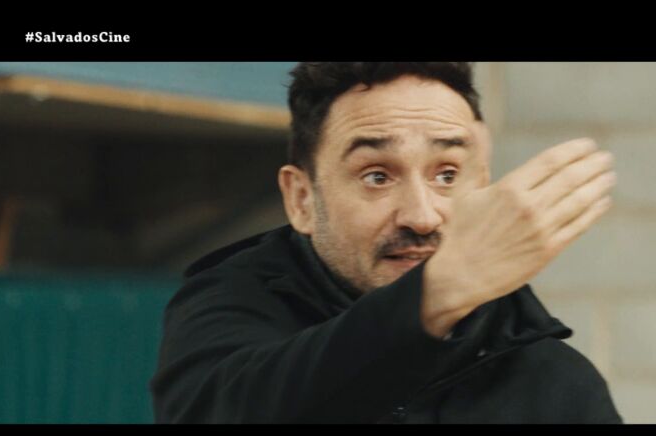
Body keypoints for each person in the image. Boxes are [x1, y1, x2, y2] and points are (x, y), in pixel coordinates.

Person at [149, 62, 622, 423]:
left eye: (447, 175)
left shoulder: (555, 381)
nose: (421, 216)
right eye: (377, 176)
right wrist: (438, 293)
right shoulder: (226, 308)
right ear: (301, 200)